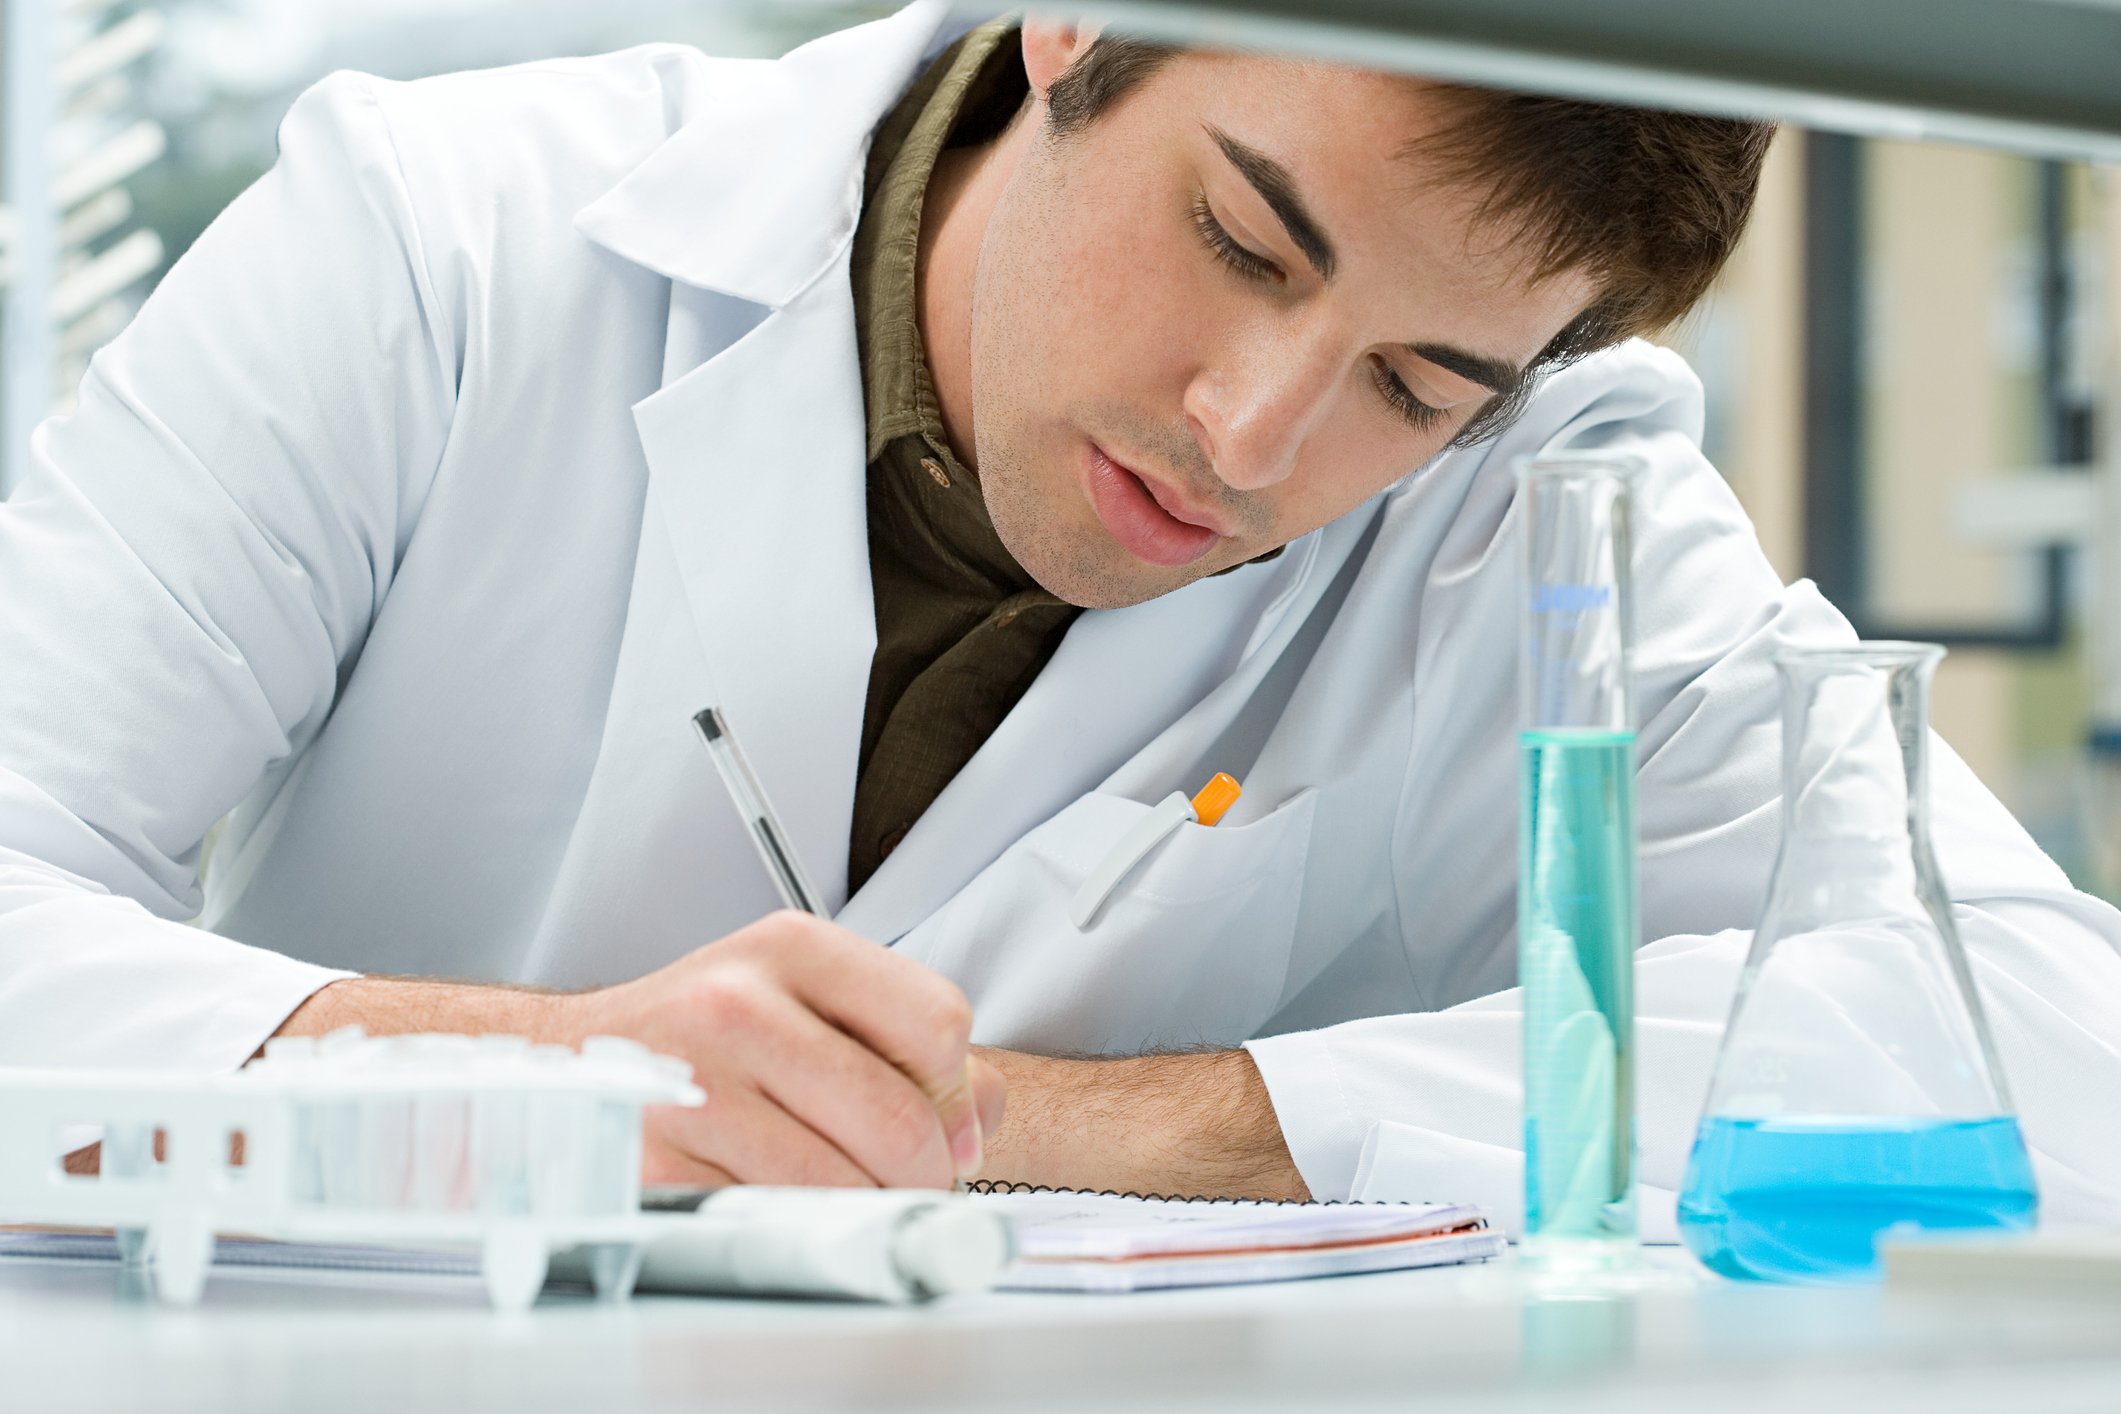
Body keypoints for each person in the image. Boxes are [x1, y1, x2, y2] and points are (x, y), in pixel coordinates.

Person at [3, 1, 2118, 1229]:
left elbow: (2050, 1045)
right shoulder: (444, 245)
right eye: (1241, 238)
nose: (1250, 436)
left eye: (1411, 384)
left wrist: (1039, 1125)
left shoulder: (1539, 505)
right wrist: (547, 1082)